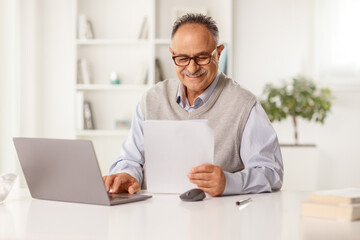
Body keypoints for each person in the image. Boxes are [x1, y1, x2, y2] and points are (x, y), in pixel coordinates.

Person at [103, 14, 283, 197]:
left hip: (219, 217)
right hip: (155, 213)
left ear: (218, 53)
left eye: (202, 57)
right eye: (182, 58)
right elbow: (130, 159)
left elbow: (271, 172)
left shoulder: (244, 105)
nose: (192, 68)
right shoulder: (152, 99)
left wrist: (229, 182)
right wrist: (127, 174)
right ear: (172, 55)